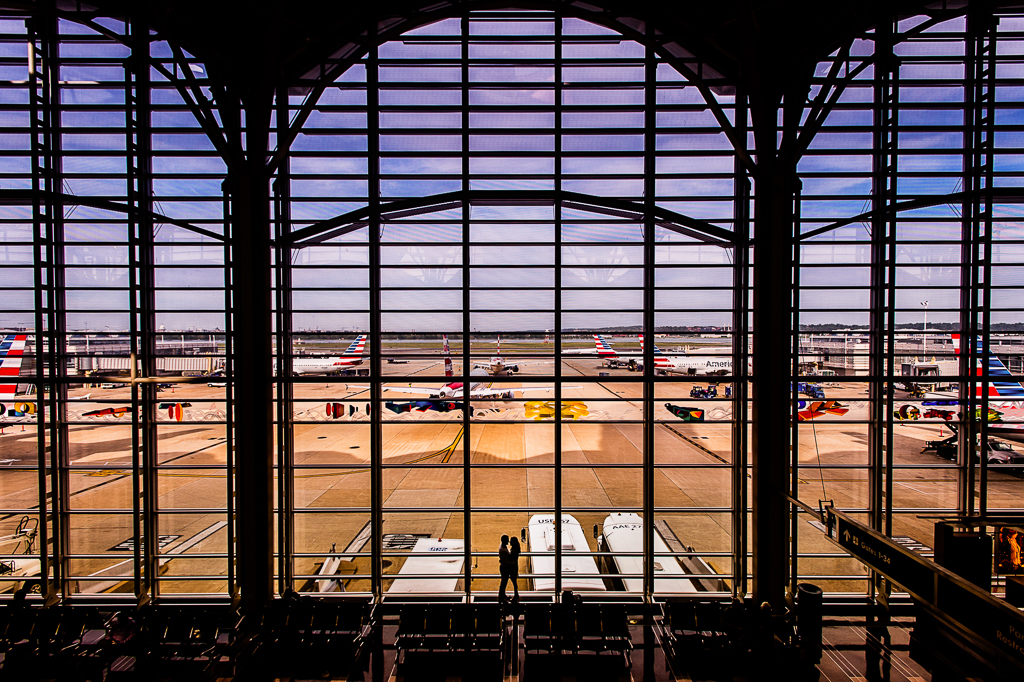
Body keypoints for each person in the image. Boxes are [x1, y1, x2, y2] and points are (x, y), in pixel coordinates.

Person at [498, 534, 512, 603]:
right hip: (504, 568)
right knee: (504, 583)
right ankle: (501, 596)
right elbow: (505, 562)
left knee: (503, 583)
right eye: (507, 540)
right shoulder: (503, 550)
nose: (508, 541)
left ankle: (502, 596)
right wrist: (512, 563)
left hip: (503, 567)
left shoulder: (502, 547)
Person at [508, 536, 522, 603]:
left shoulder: (514, 551)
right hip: (514, 567)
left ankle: (516, 594)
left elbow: (511, 560)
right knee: (514, 582)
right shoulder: (516, 550)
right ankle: (516, 594)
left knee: (514, 581)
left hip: (512, 568)